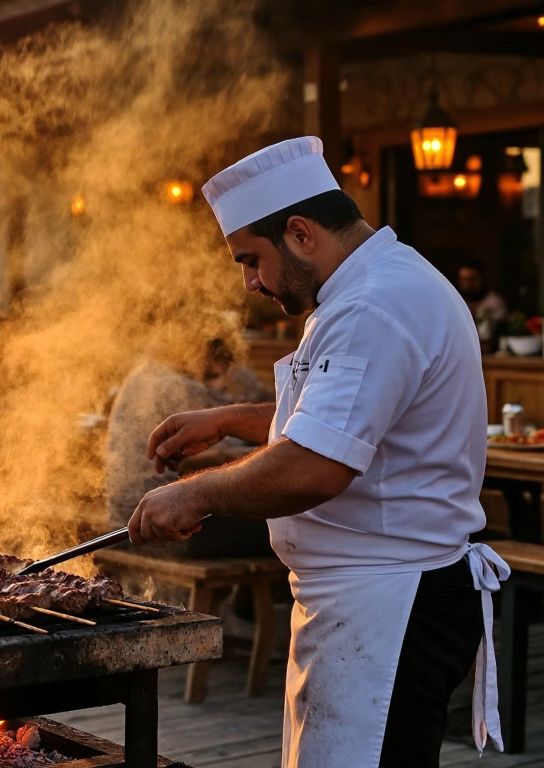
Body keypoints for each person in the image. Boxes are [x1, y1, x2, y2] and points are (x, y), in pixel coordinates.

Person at [131, 137, 507, 766]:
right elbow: (341, 421)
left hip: (388, 608)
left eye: (251, 260)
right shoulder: (371, 286)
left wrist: (192, 492)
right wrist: (232, 419)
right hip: (364, 603)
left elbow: (315, 465)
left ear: (301, 234)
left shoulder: (374, 303)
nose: (251, 283)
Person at [104, 338, 272, 560]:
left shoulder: (143, 375)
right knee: (285, 519)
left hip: (123, 518)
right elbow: (224, 456)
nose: (219, 374)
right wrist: (279, 455)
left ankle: (240, 594)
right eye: (218, 363)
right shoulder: (178, 387)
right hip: (158, 525)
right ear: (199, 352)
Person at [457, 259, 508, 324]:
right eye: (464, 280)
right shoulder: (456, 303)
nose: (468, 284)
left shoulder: (495, 302)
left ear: (482, 278)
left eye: (472, 279)